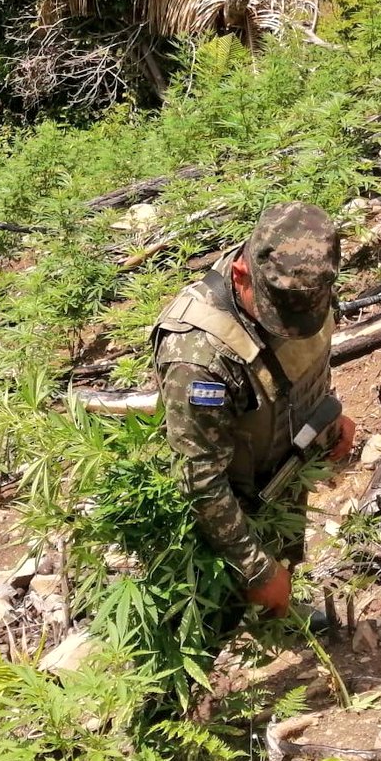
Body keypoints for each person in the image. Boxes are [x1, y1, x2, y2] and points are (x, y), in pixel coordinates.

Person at [152, 202, 355, 619]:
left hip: (286, 462)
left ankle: (277, 613)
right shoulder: (198, 355)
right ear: (243, 274)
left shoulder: (307, 276)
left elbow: (308, 360)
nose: (293, 324)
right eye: (277, 312)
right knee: (220, 611)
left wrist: (330, 414)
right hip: (232, 506)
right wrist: (256, 570)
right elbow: (201, 477)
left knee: (286, 552)